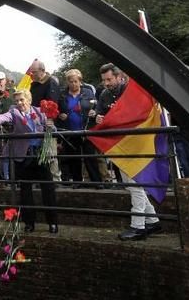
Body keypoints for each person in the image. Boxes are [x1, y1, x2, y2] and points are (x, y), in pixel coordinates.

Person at [96, 64, 162, 241]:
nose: (106, 83)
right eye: (103, 80)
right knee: (131, 185)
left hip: (136, 144)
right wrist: (98, 117)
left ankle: (138, 227)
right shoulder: (104, 94)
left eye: (109, 79)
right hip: (120, 145)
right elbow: (101, 116)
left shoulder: (131, 90)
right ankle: (153, 220)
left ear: (119, 77)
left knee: (135, 185)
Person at [0, 89, 58, 234]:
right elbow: (2, 117)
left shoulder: (40, 111)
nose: (19, 103)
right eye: (17, 101)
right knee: (25, 192)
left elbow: (53, 130)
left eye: (22, 100)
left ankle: (53, 223)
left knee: (48, 189)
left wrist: (51, 126)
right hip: (23, 157)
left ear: (29, 100)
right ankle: (29, 223)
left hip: (40, 156)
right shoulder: (14, 113)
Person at [56, 69, 102, 184]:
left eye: (76, 81)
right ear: (67, 82)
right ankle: (77, 182)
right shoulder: (62, 95)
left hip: (86, 131)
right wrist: (60, 115)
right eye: (71, 82)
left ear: (80, 81)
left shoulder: (88, 92)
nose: (73, 84)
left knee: (90, 158)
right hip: (70, 132)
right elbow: (57, 111)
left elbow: (96, 106)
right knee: (73, 158)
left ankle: (97, 183)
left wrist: (94, 112)